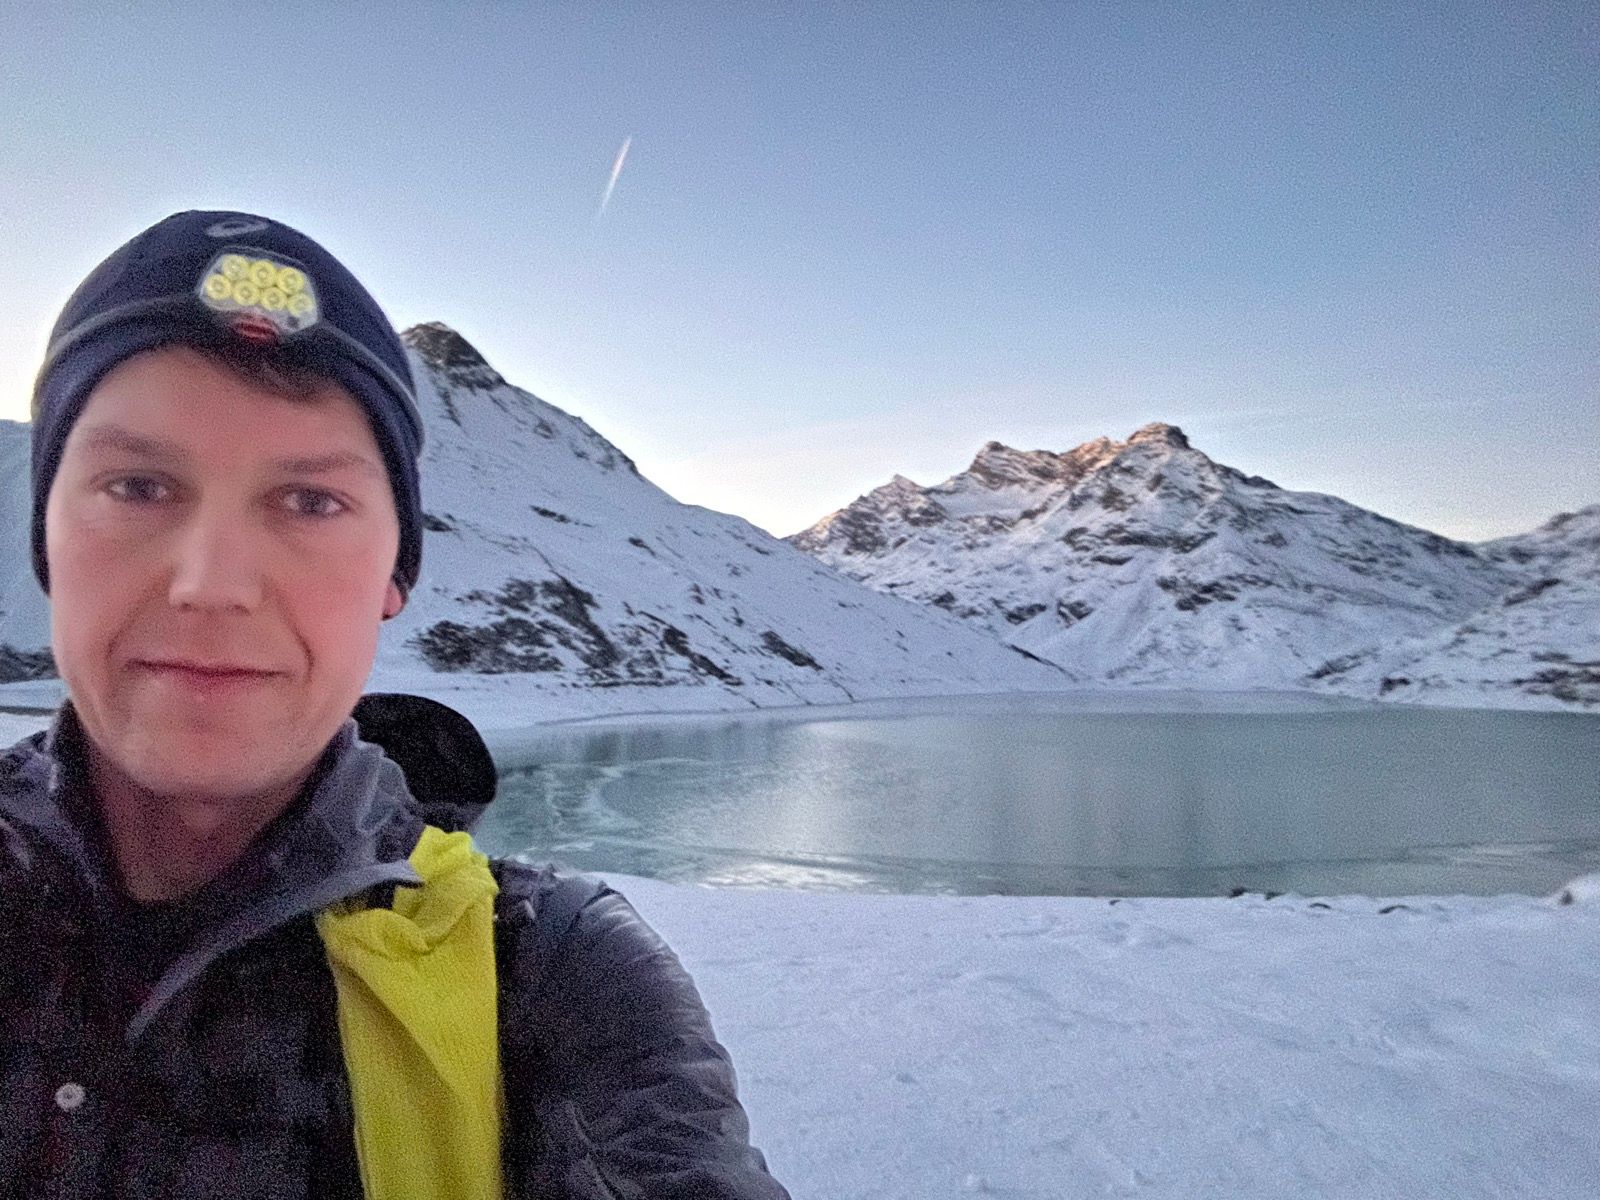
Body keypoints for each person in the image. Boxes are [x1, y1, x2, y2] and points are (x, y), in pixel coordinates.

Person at [0, 210, 790, 1199]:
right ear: (46, 541)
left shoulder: (551, 977)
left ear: (394, 576)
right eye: (138, 486)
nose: (213, 583)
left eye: (310, 502)